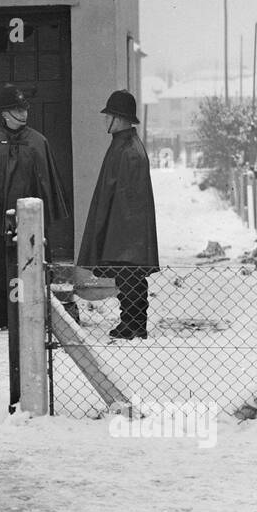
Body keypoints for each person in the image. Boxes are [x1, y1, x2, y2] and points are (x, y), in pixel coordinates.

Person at [0, 85, 70, 330]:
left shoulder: (37, 142)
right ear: (4, 113)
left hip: (30, 219)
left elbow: (47, 184)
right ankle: (0, 318)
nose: (22, 114)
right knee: (0, 271)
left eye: (24, 108)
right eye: (15, 109)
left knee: (32, 268)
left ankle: (33, 319)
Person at [77, 89, 159, 339]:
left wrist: (117, 236)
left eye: (108, 115)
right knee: (128, 278)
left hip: (125, 232)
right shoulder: (123, 145)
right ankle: (132, 323)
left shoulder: (129, 150)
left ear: (119, 118)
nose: (104, 120)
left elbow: (128, 200)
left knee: (130, 277)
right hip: (122, 229)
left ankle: (133, 324)